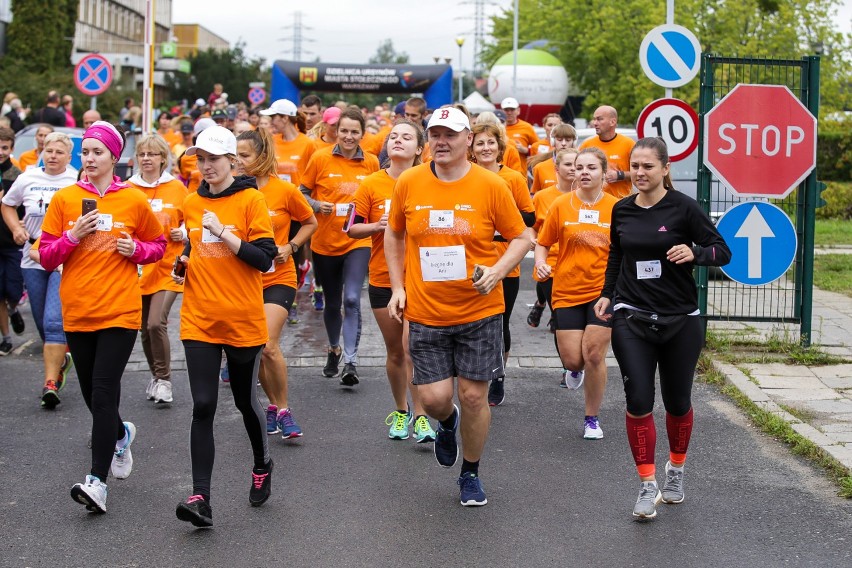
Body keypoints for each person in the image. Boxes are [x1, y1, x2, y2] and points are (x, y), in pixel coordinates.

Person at [385, 107, 532, 506]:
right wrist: (397, 287)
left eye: (450, 134)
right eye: (435, 134)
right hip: (426, 311)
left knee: (473, 397)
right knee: (433, 400)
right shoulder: (410, 182)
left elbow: (522, 238)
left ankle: (470, 472)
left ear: (470, 139)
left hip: (479, 310)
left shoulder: (491, 185)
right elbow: (394, 234)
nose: (441, 141)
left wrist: (499, 271)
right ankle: (446, 423)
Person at [593, 137, 731, 521]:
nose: (639, 173)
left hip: (680, 321)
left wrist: (696, 253)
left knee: (677, 401)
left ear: (665, 169)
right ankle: (647, 483)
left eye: (647, 166)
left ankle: (676, 472)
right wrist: (607, 295)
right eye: (634, 166)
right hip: (631, 317)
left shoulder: (684, 208)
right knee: (638, 400)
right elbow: (617, 255)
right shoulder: (621, 210)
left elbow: (723, 250)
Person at [39, 121, 166, 513]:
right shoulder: (65, 199)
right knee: (96, 396)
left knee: (103, 391)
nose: (89, 159)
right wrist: (72, 237)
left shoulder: (133, 200)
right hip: (78, 310)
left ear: (115, 157)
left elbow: (158, 245)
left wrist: (135, 250)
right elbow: (45, 255)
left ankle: (97, 481)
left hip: (120, 311)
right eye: (86, 152)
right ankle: (122, 434)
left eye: (97, 152)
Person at [171, 125, 277, 527]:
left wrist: (223, 234)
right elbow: (193, 248)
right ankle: (201, 498)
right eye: (200, 159)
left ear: (232, 160)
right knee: (202, 405)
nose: (206, 166)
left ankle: (262, 463)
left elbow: (264, 259)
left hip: (242, 320)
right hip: (199, 318)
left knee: (244, 403)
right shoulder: (190, 201)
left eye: (213, 159)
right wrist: (183, 263)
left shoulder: (252, 200)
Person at [349, 120, 436, 442]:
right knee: (396, 353)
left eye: (407, 136)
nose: (398, 140)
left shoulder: (429, 180)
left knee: (413, 348)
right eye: (393, 136)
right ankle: (401, 412)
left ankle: (422, 416)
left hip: (421, 280)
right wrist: (378, 226)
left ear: (419, 148)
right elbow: (351, 228)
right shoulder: (371, 183)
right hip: (384, 279)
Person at [235, 127, 317, 440]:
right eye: (236, 156)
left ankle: (283, 409)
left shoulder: (285, 191)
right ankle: (271, 404)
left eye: (245, 156)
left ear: (262, 156)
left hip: (279, 277)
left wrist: (292, 246)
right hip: (243, 281)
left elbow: (311, 222)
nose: (238, 162)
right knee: (254, 347)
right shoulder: (233, 191)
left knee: (268, 344)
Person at [535, 147, 618, 440]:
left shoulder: (616, 207)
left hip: (603, 291)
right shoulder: (561, 205)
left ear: (604, 172)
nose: (584, 172)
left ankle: (592, 419)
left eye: (591, 167)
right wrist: (541, 262)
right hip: (567, 289)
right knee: (574, 359)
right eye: (579, 167)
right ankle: (573, 371)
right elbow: (543, 243)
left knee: (594, 355)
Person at [299, 107, 379, 385]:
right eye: (343, 130)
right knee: (332, 304)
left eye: (354, 131)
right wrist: (317, 205)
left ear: (362, 134)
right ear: (336, 131)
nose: (348, 136)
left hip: (358, 241)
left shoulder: (370, 163)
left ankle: (351, 361)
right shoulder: (320, 158)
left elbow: (377, 197)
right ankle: (334, 349)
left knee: (352, 299)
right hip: (324, 243)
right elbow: (302, 193)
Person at [1, 131, 77, 402]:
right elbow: (8, 204)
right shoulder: (27, 178)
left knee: (54, 320)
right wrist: (15, 229)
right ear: (42, 151)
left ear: (69, 157)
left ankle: (50, 383)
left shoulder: (76, 180)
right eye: (49, 150)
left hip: (62, 257)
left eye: (59, 152)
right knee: (42, 322)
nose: (53, 156)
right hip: (31, 255)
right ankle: (61, 360)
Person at [467, 122, 535, 407]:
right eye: (480, 143)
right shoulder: (465, 176)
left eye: (490, 143)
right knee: (471, 321)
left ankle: (497, 375)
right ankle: (472, 373)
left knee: (500, 322)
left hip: (506, 259)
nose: (485, 148)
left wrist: (499, 215)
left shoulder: (514, 178)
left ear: (499, 147)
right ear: (471, 147)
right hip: (472, 258)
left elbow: (529, 220)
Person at [126, 134, 188, 404]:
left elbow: (192, 220)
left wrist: (182, 232)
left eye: (152, 154)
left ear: (164, 158)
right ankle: (155, 375)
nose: (147, 159)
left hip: (168, 267)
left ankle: (164, 380)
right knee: (143, 328)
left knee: (155, 323)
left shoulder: (177, 188)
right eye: (142, 154)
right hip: (138, 267)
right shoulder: (128, 189)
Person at [529, 147, 578, 338]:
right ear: (556, 169)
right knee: (560, 319)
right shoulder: (542, 197)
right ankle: (570, 366)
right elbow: (531, 226)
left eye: (577, 165)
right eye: (568, 164)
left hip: (578, 267)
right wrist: (533, 238)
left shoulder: (588, 195)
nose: (573, 169)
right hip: (550, 267)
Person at [0, 126, 24, 356]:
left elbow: (24, 208)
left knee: (13, 290)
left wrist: (22, 223)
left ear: (11, 149)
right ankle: (6, 338)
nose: (0, 151)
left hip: (11, 243)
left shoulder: (16, 175)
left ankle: (14, 308)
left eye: (4, 147)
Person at [578, 105, 635, 199]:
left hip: (620, 203)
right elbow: (577, 172)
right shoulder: (586, 145)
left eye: (599, 119)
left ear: (613, 121)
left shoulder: (629, 144)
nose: (595, 123)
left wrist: (619, 175)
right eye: (594, 119)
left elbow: (639, 174)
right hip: (593, 203)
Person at [260, 99, 316, 187]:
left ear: (285, 118)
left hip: (298, 198)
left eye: (273, 117)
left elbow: (314, 177)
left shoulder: (308, 144)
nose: (271, 122)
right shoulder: (271, 142)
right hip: (275, 197)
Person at [529, 123, 577, 193]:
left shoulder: (583, 166)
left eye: (568, 140)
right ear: (553, 141)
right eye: (559, 140)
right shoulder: (540, 167)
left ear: (574, 142)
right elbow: (534, 195)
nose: (563, 143)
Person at [500, 97, 538, 171]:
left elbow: (538, 148)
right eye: (506, 110)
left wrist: (526, 150)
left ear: (518, 111)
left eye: (512, 109)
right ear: (502, 111)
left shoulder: (527, 127)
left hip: (520, 173)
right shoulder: (496, 127)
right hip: (500, 172)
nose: (509, 112)